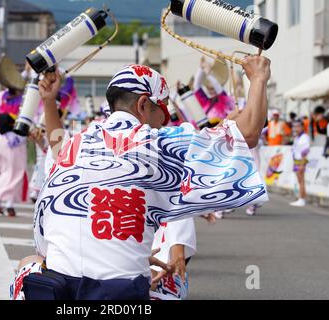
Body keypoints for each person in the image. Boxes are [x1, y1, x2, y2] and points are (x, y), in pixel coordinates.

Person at [17, 56, 270, 300]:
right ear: (142, 105)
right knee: (173, 280)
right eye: (163, 114)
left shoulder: (75, 145)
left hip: (57, 292)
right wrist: (258, 78)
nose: (165, 124)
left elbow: (45, 244)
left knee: (29, 263)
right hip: (121, 296)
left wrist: (48, 101)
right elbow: (247, 134)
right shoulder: (155, 143)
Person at [0, 56, 28, 217]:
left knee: (7, 171)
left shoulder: (1, 97)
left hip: (1, 139)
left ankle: (3, 202)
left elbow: (15, 83)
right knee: (16, 172)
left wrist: (25, 72)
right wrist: (25, 73)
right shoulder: (22, 99)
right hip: (14, 139)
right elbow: (22, 86)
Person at [193, 56, 234, 127]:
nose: (211, 89)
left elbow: (219, 89)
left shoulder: (224, 100)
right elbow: (196, 86)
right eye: (208, 88)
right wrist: (201, 68)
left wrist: (208, 74)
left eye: (212, 88)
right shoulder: (205, 102)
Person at [290, 120, 311, 207]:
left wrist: (302, 164)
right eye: (294, 126)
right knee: (299, 181)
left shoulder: (304, 137)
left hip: (301, 161)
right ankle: (303, 198)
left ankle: (301, 199)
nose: (295, 128)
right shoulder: (296, 137)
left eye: (298, 126)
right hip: (296, 161)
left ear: (302, 127)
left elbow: (305, 152)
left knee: (301, 181)